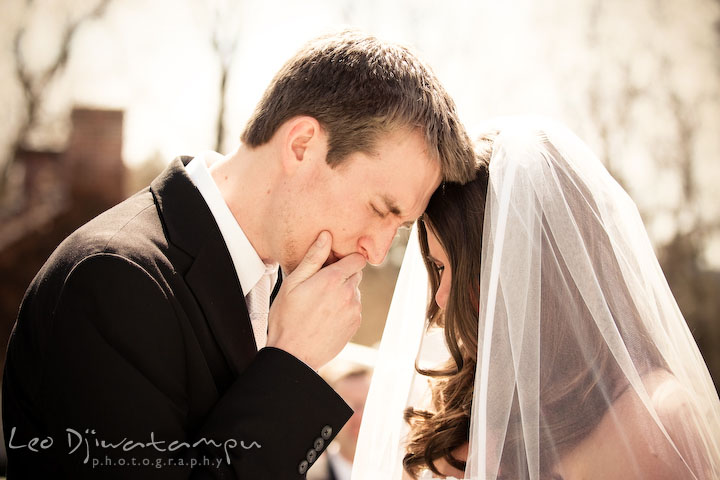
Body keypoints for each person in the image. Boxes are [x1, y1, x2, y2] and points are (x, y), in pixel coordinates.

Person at [2, 31, 477, 478]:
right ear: (302, 145)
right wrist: (290, 365)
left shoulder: (280, 286)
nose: (376, 253)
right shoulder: (114, 280)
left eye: (397, 229)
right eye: (379, 209)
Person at [352, 116, 720, 479]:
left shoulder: (656, 420)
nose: (441, 299)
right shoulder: (453, 420)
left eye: (456, 270)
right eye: (436, 267)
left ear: (528, 269)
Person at [309, 343, 374, 480]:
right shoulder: (306, 475)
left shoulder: (402, 473)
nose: (359, 416)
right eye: (347, 406)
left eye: (367, 405)